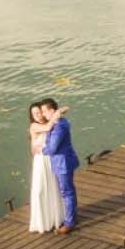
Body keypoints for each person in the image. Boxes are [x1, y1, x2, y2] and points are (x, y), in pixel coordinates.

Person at [36, 96, 81, 234]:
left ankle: (69, 223)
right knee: (68, 190)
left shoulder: (59, 127)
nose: (43, 114)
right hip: (64, 161)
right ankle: (71, 215)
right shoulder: (60, 121)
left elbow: (53, 148)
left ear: (51, 111)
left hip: (63, 163)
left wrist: (42, 149)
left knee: (67, 192)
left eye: (44, 111)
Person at [25, 101, 63, 233]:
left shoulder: (47, 123)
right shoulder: (34, 126)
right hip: (41, 160)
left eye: (39, 112)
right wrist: (57, 114)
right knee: (40, 189)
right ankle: (42, 221)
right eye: (34, 113)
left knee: (53, 186)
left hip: (49, 159)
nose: (37, 115)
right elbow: (47, 128)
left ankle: (55, 218)